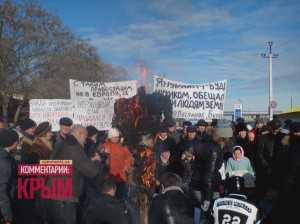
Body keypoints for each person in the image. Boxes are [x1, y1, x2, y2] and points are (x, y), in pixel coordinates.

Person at [46, 125, 100, 224]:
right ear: (79, 134)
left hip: (55, 194)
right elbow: (91, 171)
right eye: (85, 137)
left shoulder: (62, 144)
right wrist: (97, 161)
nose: (85, 141)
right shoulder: (74, 147)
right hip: (65, 197)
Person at [102, 128, 133, 200]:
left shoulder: (123, 146)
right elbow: (103, 158)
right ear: (110, 137)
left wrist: (126, 166)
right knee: (110, 194)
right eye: (114, 137)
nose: (116, 138)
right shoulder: (106, 146)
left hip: (121, 175)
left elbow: (129, 157)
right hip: (110, 175)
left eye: (117, 137)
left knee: (120, 195)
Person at [0, 129, 19, 224]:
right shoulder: (4, 162)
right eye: (17, 141)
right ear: (12, 143)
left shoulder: (6, 156)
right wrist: (8, 217)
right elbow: (1, 192)